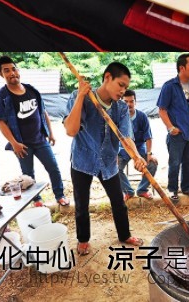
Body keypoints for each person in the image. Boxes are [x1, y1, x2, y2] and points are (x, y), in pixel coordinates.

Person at [64, 62, 145, 256]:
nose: (123, 90)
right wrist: (81, 97)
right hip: (82, 159)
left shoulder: (121, 108)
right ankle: (83, 239)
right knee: (81, 203)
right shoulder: (80, 97)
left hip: (108, 161)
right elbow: (71, 130)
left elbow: (126, 137)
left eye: (126, 87)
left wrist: (136, 156)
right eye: (121, 85)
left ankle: (124, 234)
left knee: (118, 201)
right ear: (107, 77)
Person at [0, 56, 70, 207]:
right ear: (1, 74)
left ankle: (60, 195)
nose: (12, 73)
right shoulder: (0, 97)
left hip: (40, 140)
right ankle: (36, 200)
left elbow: (43, 112)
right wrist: (14, 143)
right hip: (22, 145)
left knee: (53, 168)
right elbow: (1, 123)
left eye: (14, 69)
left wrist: (50, 133)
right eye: (6, 71)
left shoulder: (32, 90)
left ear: (18, 70)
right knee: (28, 175)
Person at [157, 53, 189, 204]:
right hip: (177, 134)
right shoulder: (169, 86)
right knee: (175, 163)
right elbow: (162, 110)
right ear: (182, 68)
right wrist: (170, 127)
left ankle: (186, 188)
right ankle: (172, 190)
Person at [118, 90, 158, 200]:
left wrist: (149, 153)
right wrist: (114, 154)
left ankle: (142, 190)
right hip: (123, 149)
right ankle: (128, 191)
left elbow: (148, 137)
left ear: (136, 102)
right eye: (125, 101)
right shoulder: (118, 117)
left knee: (153, 163)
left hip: (140, 147)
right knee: (114, 167)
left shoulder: (142, 116)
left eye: (131, 101)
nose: (129, 104)